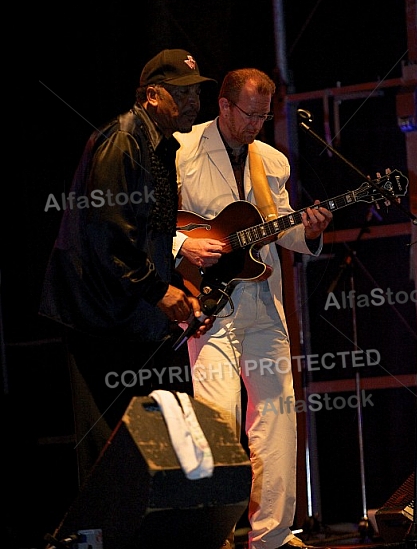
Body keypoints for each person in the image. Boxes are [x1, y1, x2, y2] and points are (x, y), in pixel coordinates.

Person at [39, 49, 216, 485]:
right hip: (97, 317)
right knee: (111, 447)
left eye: (196, 92)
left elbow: (149, 235)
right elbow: (107, 236)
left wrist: (178, 292)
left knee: (154, 439)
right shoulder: (122, 141)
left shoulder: (161, 144)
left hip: (128, 314)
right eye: (183, 92)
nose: (194, 101)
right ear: (153, 95)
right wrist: (160, 292)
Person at [173, 68, 333, 549]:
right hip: (211, 305)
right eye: (250, 114)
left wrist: (308, 230)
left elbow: (279, 227)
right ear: (223, 105)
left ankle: (273, 537)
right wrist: (184, 244)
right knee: (216, 422)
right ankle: (215, 534)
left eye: (265, 115)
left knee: (278, 416)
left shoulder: (273, 160)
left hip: (263, 305)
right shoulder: (181, 151)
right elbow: (153, 223)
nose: (257, 124)